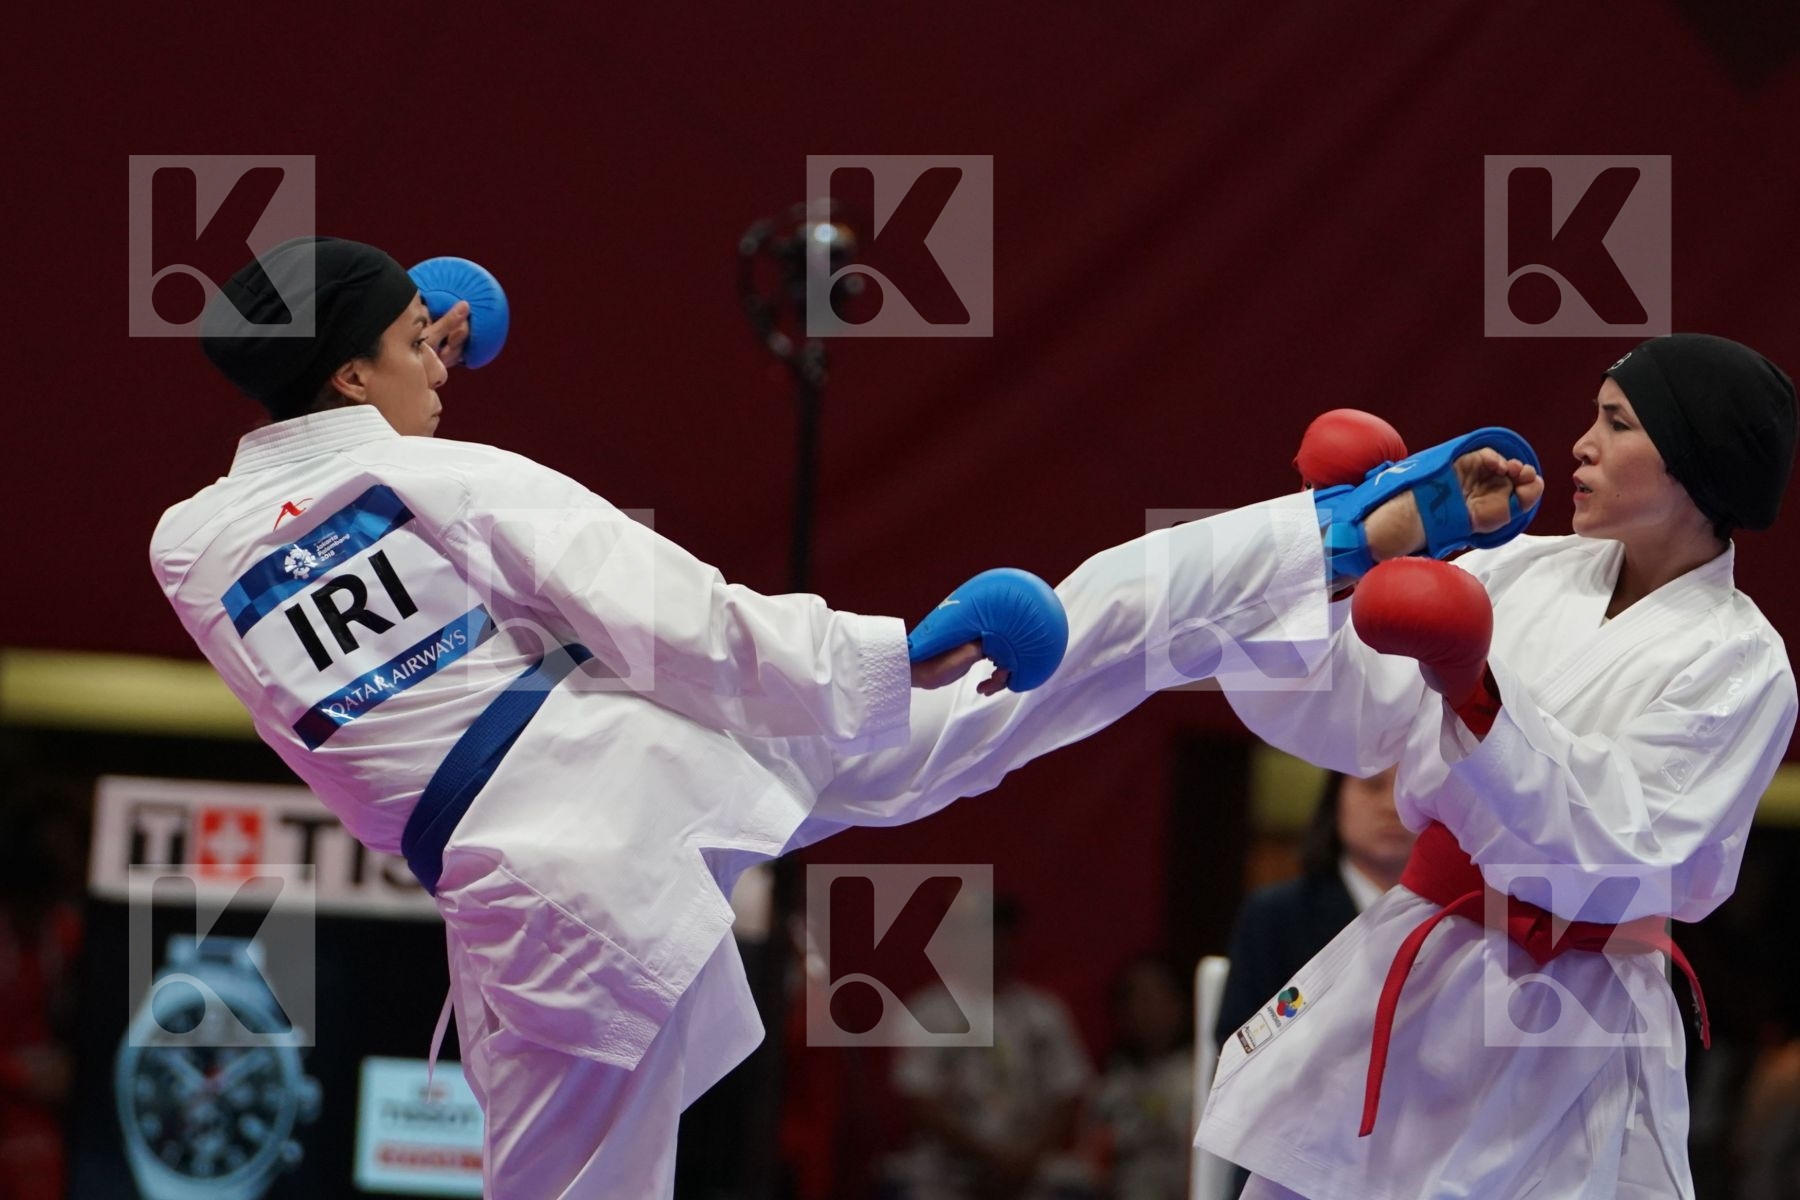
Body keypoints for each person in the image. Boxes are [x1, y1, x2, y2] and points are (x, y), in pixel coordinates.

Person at [151, 236, 1540, 1198]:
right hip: (646, 778)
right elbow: (677, 615)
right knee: (1049, 657)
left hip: (513, 886)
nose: (440, 366)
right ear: (349, 377)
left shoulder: (189, 547)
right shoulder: (454, 484)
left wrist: (395, 319)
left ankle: (1322, 537)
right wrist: (892, 655)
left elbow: (324, 470)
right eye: (415, 345)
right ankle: (1333, 532)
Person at [1198, 335, 1800, 1200]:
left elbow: (1629, 846)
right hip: (1421, 956)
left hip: (1573, 1013)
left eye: (1617, 423)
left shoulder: (1742, 661)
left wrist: (1476, 694)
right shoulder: (1516, 570)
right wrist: (1339, 541)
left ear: (1693, 466)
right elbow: (1355, 713)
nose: (1582, 443)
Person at [888, 896, 1095, 1199]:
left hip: (1028, 1172)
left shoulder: (1043, 1012)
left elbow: (1069, 1093)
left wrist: (1025, 1158)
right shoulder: (929, 1011)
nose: (993, 944)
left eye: (1001, 934)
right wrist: (991, 1156)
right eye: (981, 934)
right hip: (946, 1176)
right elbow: (918, 1099)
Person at [1214, 766, 1411, 1043]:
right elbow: (1239, 1047)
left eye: (1411, 789)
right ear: (1335, 798)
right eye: (1372, 786)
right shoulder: (1275, 916)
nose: (1392, 806)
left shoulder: (1461, 922)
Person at [1086, 954, 1196, 1200]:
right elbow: (1093, 1156)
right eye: (1131, 998)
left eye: (1152, 998)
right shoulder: (1113, 1080)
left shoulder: (1200, 1075)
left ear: (1181, 1003)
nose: (1142, 1009)